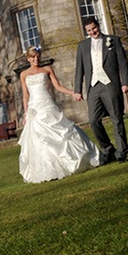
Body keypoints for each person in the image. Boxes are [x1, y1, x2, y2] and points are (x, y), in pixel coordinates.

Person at [18, 46, 100, 183]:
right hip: (35, 108)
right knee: (39, 137)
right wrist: (26, 113)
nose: (36, 59)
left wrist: (73, 93)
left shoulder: (47, 69)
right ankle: (48, 169)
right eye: (33, 57)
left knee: (62, 132)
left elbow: (58, 86)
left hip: (47, 104)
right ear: (28, 59)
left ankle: (75, 161)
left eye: (38, 56)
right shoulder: (24, 75)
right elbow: (25, 95)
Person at [73, 17, 128, 164]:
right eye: (89, 30)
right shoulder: (82, 46)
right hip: (93, 87)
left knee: (116, 118)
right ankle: (107, 148)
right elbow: (79, 69)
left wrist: (125, 83)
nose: (93, 32)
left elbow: (123, 63)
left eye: (94, 28)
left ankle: (121, 151)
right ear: (86, 32)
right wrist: (77, 89)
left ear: (98, 26)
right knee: (93, 120)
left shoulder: (113, 41)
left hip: (110, 84)